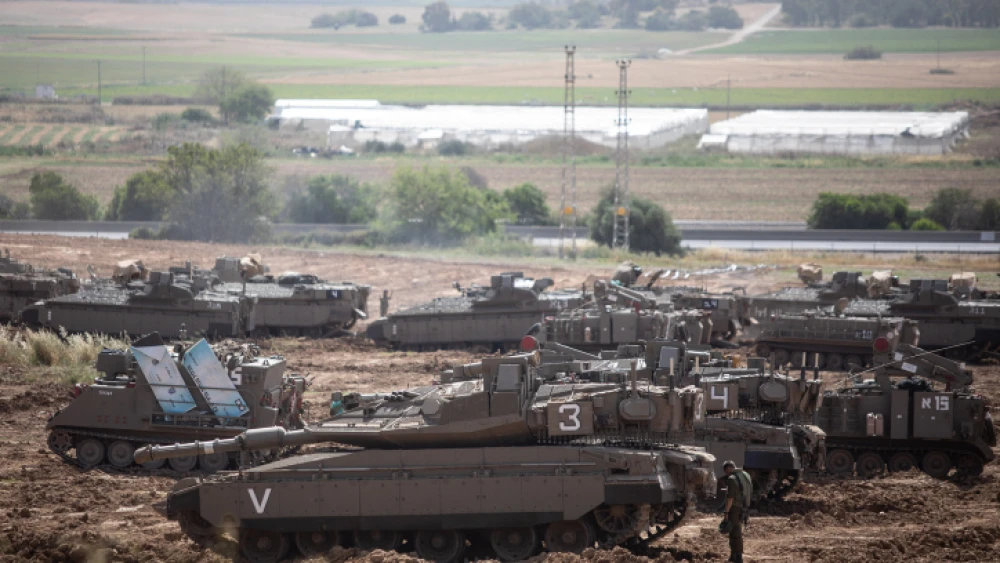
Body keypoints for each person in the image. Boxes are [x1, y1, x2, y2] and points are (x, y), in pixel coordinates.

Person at [722, 460, 753, 563]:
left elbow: (730, 498)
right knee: (737, 530)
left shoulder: (732, 479)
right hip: (744, 507)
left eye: (726, 472)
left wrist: (726, 512)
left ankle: (738, 556)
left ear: (728, 469)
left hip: (734, 508)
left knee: (735, 531)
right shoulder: (746, 475)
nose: (727, 475)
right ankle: (734, 555)